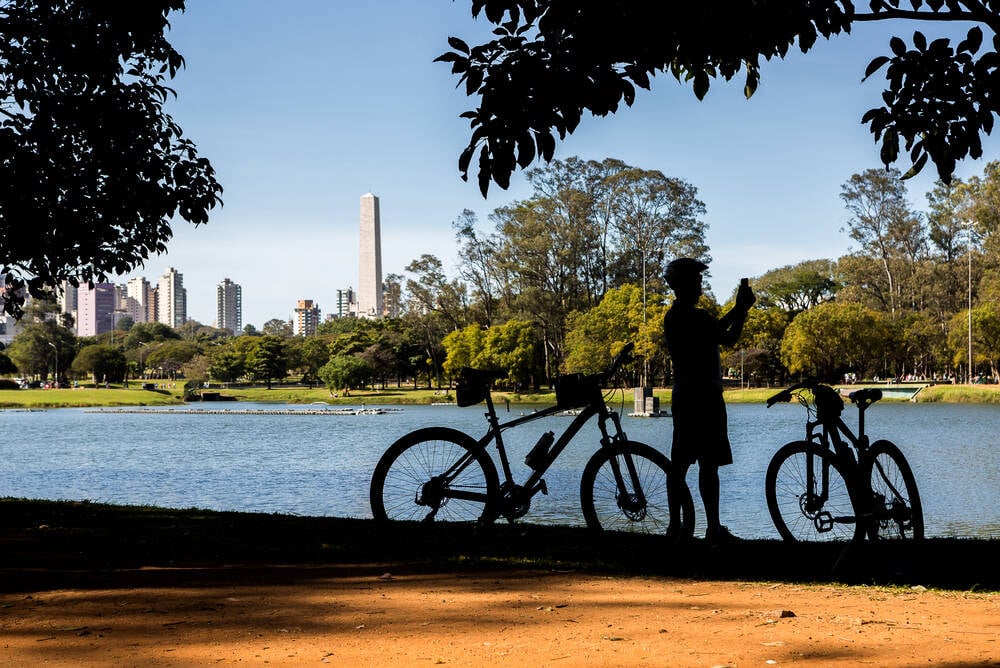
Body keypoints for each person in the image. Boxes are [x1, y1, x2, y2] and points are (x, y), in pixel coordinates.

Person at [662, 258, 755, 545]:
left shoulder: (678, 317)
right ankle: (702, 527)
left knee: (690, 464)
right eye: (696, 281)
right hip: (701, 397)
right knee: (697, 465)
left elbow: (719, 331)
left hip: (692, 396)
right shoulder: (689, 317)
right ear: (683, 285)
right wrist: (741, 310)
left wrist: (739, 311)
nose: (700, 286)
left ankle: (682, 526)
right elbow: (724, 335)